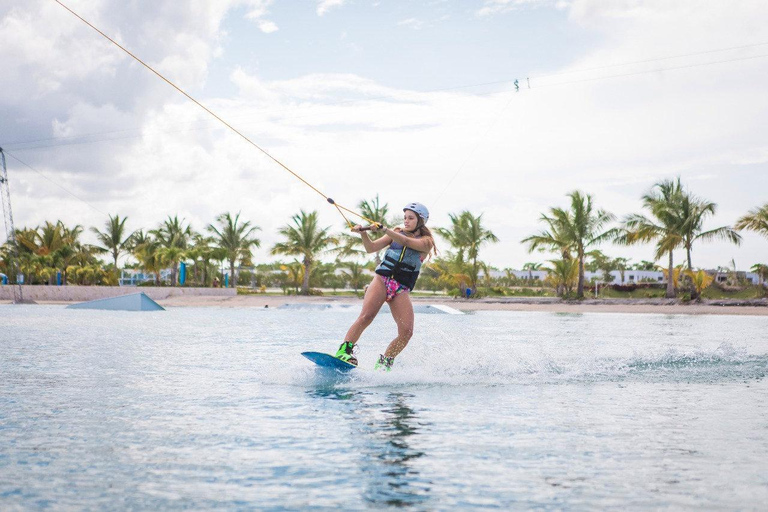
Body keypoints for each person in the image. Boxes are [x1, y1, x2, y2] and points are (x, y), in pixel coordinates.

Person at [335, 202, 436, 371]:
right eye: (405, 217)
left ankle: (385, 362)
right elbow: (371, 248)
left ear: (421, 221)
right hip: (382, 280)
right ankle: (344, 351)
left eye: (411, 218)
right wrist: (363, 234)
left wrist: (385, 230)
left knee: (407, 332)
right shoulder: (395, 233)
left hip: (400, 288)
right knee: (366, 316)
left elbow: (406, 241)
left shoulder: (426, 242)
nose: (406, 221)